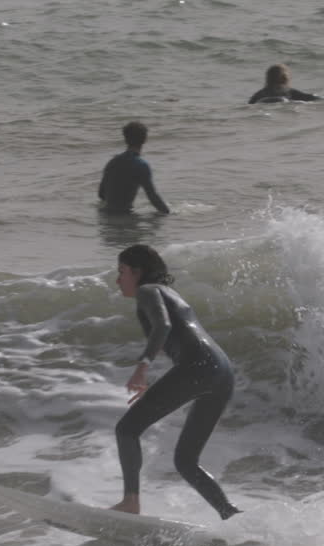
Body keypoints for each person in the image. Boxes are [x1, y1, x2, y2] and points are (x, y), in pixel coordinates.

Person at [111, 244, 241, 520]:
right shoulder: (170, 293)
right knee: (185, 461)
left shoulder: (148, 290)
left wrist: (142, 367)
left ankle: (130, 502)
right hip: (222, 371)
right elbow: (179, 337)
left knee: (127, 430)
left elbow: (163, 326)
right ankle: (230, 514)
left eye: (121, 271)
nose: (117, 279)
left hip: (199, 366)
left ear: (137, 272)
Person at [98, 121, 170, 214]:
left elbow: (101, 194)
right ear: (145, 140)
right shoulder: (141, 165)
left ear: (125, 139)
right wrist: (168, 214)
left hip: (106, 217)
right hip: (125, 217)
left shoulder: (112, 162)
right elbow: (152, 197)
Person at [248, 64, 321, 104]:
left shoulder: (259, 93)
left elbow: (249, 105)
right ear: (285, 78)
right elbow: (310, 97)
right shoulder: (289, 90)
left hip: (263, 102)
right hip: (282, 101)